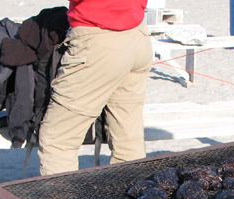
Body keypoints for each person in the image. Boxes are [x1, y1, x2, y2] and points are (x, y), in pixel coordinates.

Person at [37, 0, 152, 175]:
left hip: (99, 39)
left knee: (58, 139)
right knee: (128, 140)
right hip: (137, 35)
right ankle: (134, 198)